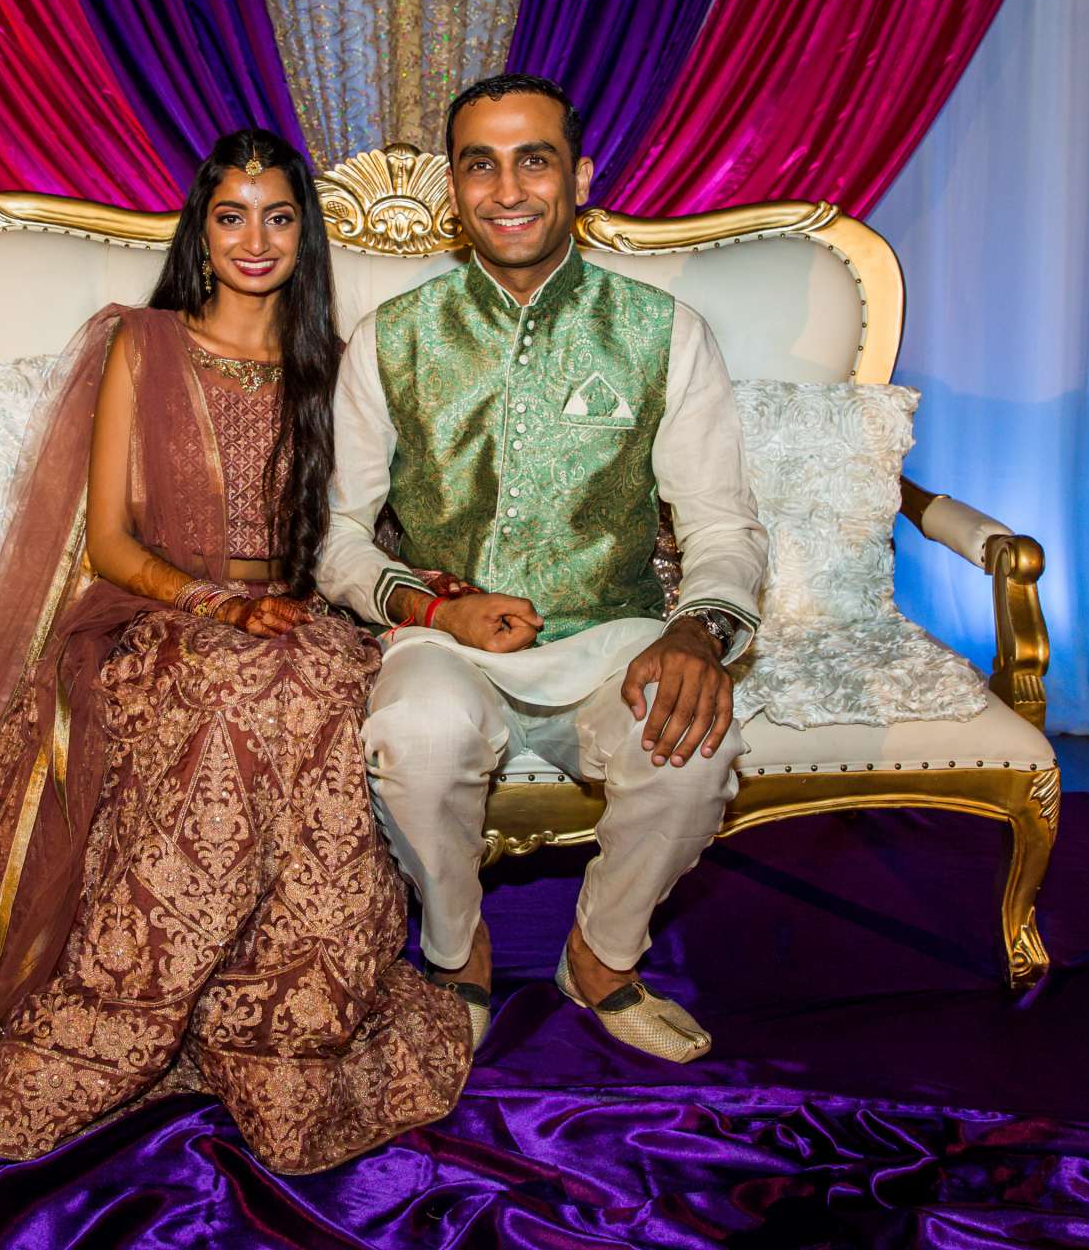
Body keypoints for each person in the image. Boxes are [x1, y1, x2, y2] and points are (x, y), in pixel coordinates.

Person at [0, 129, 469, 1174]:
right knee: (239, 685)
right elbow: (109, 540)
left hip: (297, 618)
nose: (256, 238)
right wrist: (211, 601)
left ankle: (291, 1019)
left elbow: (364, 528)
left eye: (279, 216)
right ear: (201, 230)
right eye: (232, 214)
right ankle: (127, 1009)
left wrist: (421, 588)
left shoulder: (330, 368)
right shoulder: (139, 345)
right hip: (156, 614)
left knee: (320, 679)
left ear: (306, 236)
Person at [317, 74, 769, 1063]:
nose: (507, 187)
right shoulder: (392, 340)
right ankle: (456, 950)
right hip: (444, 641)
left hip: (613, 637)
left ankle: (601, 958)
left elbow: (724, 527)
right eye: (481, 163)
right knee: (415, 731)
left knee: (696, 748)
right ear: (454, 188)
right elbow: (338, 538)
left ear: (579, 177)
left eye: (535, 159)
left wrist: (700, 631)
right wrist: (435, 601)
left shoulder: (663, 333)